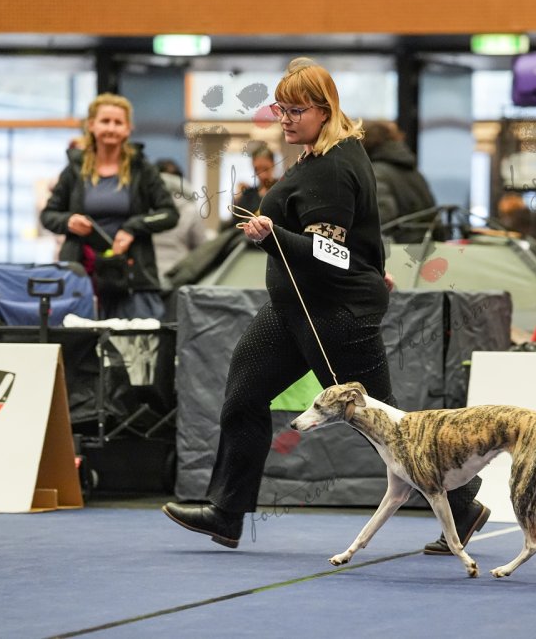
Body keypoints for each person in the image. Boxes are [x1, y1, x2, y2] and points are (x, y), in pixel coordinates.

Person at [162, 58, 489, 555]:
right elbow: (360, 238)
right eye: (280, 109)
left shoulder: (333, 167)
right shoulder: (323, 154)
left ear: (324, 109)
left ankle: (461, 504)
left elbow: (328, 252)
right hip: (294, 308)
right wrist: (369, 266)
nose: (285, 119)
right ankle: (226, 511)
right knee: (244, 396)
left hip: (332, 315)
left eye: (295, 110)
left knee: (383, 424)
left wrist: (273, 237)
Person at [41, 93, 177, 320]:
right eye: (105, 121)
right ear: (91, 125)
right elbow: (48, 215)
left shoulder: (142, 169)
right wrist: (68, 222)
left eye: (118, 122)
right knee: (81, 339)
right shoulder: (74, 170)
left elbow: (169, 214)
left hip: (132, 276)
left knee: (136, 340)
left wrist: (133, 227)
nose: (111, 128)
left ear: (128, 129)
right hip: (83, 276)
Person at [360, 120, 436, 242]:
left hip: (399, 249)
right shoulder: (414, 172)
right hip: (426, 246)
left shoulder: (376, 173)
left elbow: (381, 218)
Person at [153, 158, 213, 288]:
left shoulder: (142, 206)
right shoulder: (190, 210)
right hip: (180, 279)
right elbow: (202, 250)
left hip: (147, 279)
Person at [230, 144, 279, 219]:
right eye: (257, 169)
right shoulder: (248, 195)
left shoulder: (282, 191)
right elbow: (236, 220)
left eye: (266, 169)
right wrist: (237, 199)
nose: (262, 175)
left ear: (273, 164)